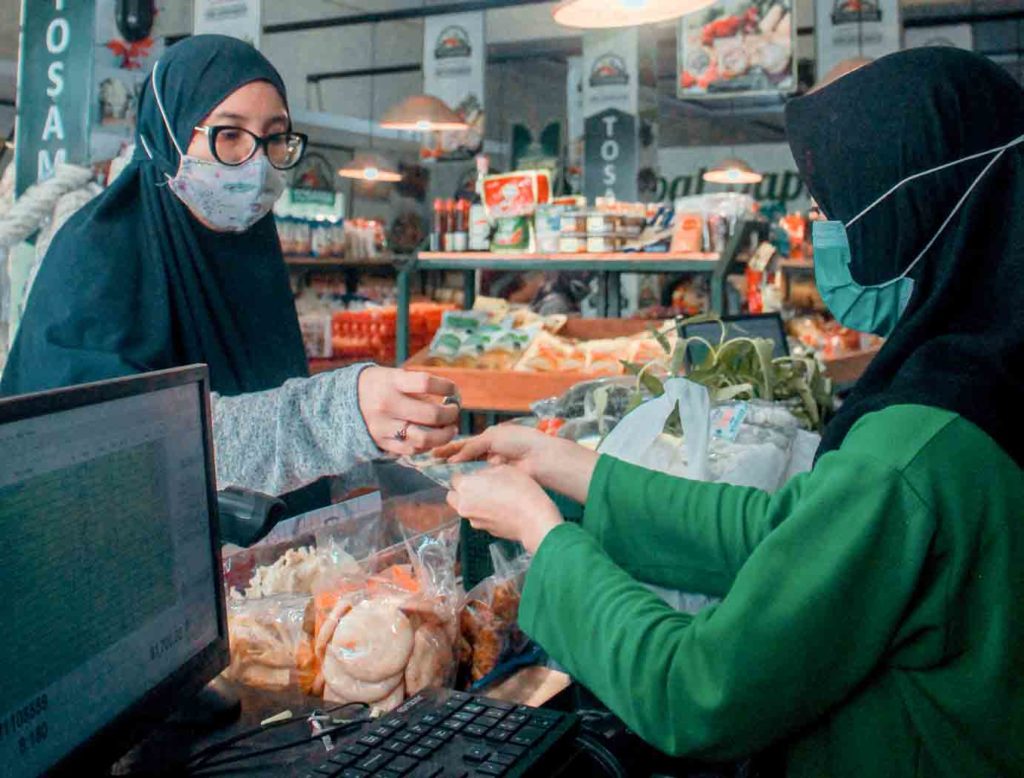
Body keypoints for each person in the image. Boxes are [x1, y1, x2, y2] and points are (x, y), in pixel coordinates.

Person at [440, 48, 1024, 777]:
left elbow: (700, 689)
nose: (817, 228)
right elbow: (784, 534)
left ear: (913, 210)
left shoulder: (908, 454)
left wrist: (544, 535)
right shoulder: (983, 377)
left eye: (832, 205)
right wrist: (565, 464)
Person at [0, 36, 457, 507]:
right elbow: (118, 446)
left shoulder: (246, 250)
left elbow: (263, 415)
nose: (256, 163)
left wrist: (377, 454)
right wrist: (339, 413)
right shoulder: (93, 254)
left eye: (275, 138)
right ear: (171, 133)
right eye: (230, 135)